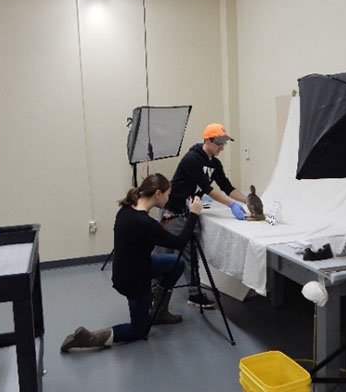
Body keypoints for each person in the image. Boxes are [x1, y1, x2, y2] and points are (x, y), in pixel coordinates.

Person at [60, 173, 202, 352]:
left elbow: (142, 236)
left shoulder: (127, 210)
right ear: (158, 194)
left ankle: (159, 312)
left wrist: (161, 227)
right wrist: (194, 215)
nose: (169, 198)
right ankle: (89, 338)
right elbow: (180, 242)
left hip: (128, 268)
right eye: (167, 194)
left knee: (177, 263)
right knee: (140, 330)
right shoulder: (146, 224)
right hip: (134, 280)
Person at [155, 123, 247, 309]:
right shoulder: (192, 159)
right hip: (173, 212)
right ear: (208, 140)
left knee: (191, 255)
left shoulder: (215, 163)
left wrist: (247, 200)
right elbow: (208, 189)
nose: (221, 147)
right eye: (218, 143)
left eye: (223, 144)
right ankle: (152, 294)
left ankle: (195, 295)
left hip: (190, 213)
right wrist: (232, 205)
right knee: (162, 255)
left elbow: (227, 187)